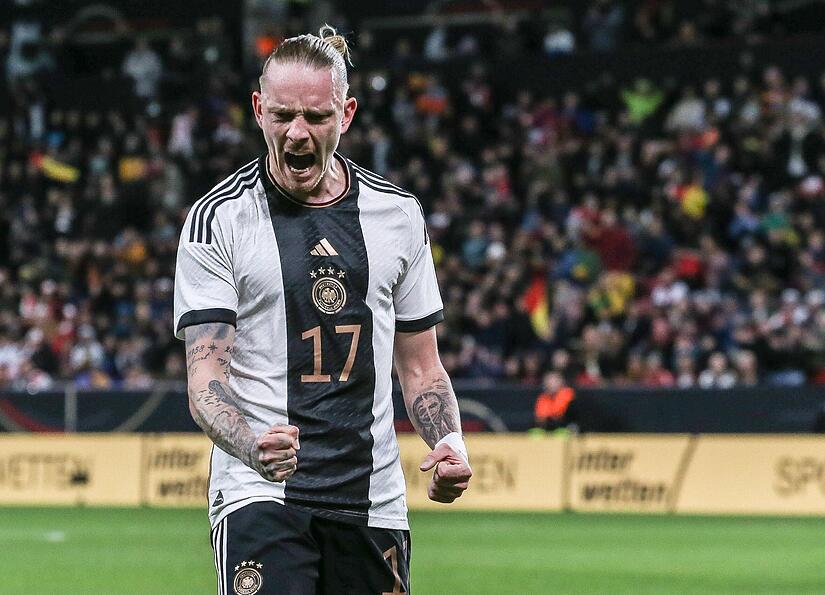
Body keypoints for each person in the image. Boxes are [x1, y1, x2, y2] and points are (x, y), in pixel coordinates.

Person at [173, 26, 472, 594]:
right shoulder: (219, 219)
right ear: (258, 110)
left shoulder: (398, 216)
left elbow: (421, 366)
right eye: (283, 115)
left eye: (315, 117)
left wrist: (449, 443)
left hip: (372, 497)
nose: (297, 133)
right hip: (260, 493)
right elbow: (205, 377)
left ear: (347, 114)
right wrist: (251, 446)